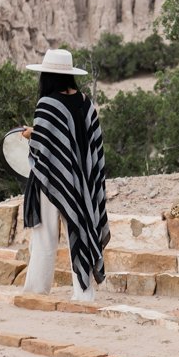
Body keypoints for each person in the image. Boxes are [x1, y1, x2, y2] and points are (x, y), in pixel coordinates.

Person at [23, 47, 109, 302]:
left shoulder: (47, 103)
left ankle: (36, 292)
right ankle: (84, 294)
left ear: (47, 76)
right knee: (80, 229)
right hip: (82, 182)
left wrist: (31, 134)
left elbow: (46, 146)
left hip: (51, 179)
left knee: (45, 237)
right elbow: (93, 144)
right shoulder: (86, 102)